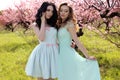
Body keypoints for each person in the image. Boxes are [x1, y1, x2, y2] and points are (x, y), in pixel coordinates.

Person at [57, 3, 101, 80]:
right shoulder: (60, 24)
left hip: (68, 55)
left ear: (69, 13)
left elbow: (77, 41)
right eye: (61, 10)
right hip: (61, 55)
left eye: (66, 11)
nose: (63, 13)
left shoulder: (69, 24)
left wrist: (87, 56)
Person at [25, 2, 58, 80]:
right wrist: (43, 21)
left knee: (51, 77)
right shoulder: (35, 25)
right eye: (48, 10)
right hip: (42, 52)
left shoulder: (54, 24)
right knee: (41, 77)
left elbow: (57, 38)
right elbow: (42, 38)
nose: (50, 13)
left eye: (52, 11)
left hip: (53, 52)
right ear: (43, 11)